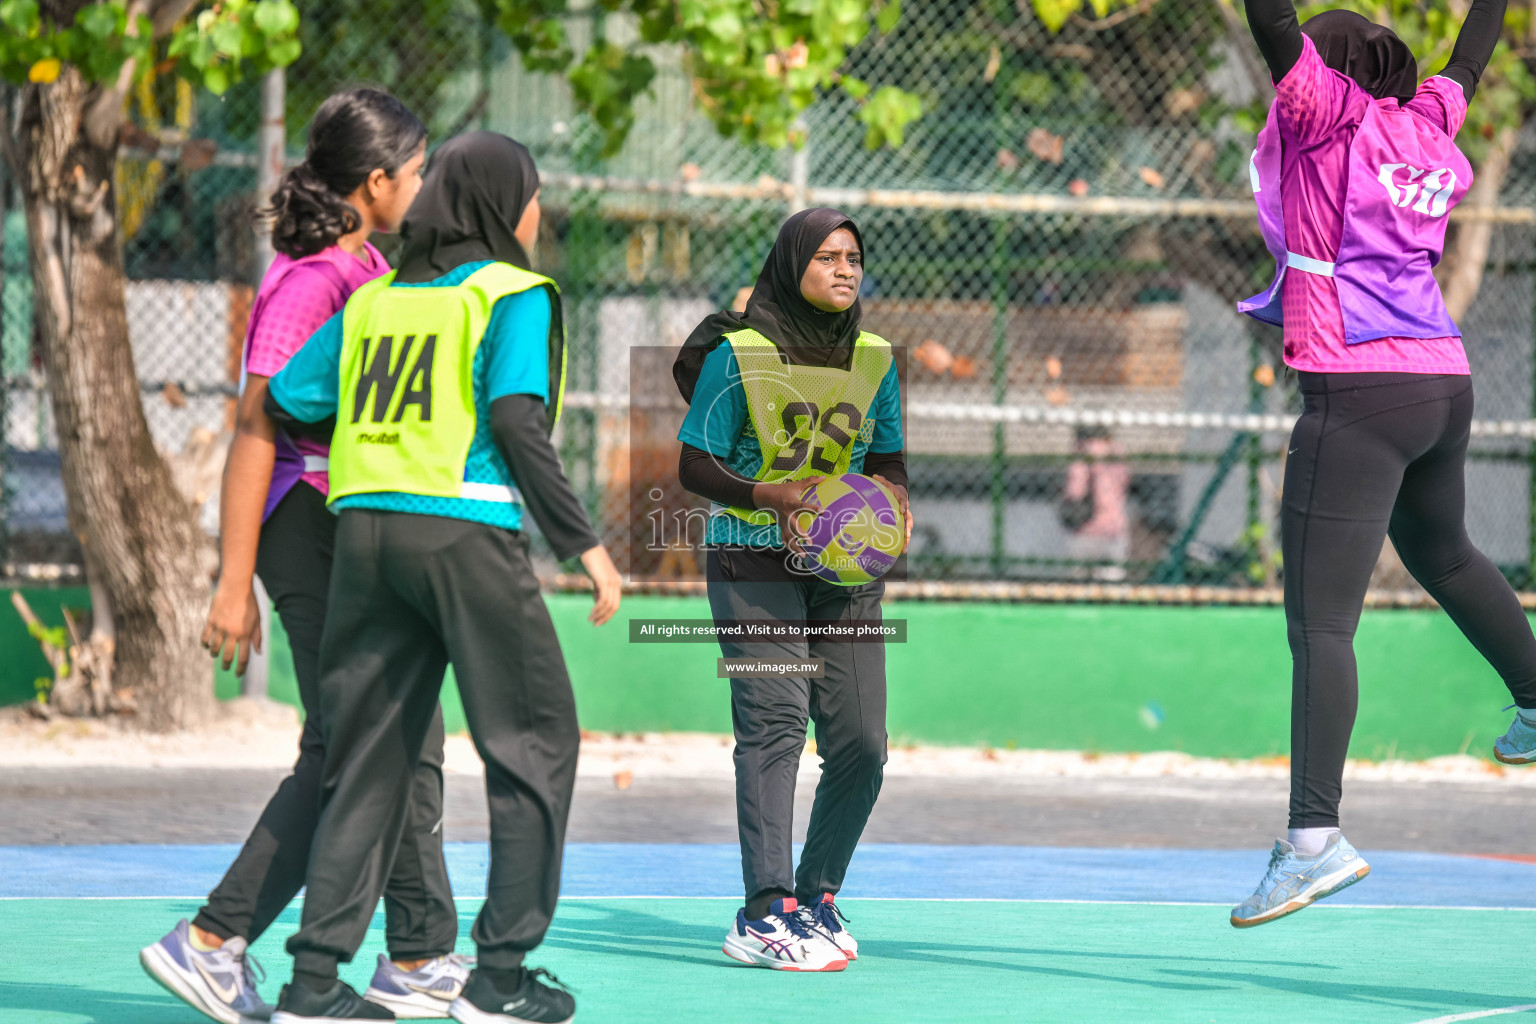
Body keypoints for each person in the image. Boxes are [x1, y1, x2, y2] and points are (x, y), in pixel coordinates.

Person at [263, 131, 621, 1024]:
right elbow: (513, 419)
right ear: (506, 206)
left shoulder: (381, 297)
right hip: (462, 530)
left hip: (363, 534)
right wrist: (585, 544)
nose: (540, 214)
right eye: (534, 195)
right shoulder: (513, 292)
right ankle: (498, 979)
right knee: (536, 745)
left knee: (368, 753)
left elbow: (290, 398)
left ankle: (313, 985)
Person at [138, 88, 471, 1024]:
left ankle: (418, 951)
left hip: (349, 528)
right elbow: (254, 429)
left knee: (401, 733)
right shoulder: (314, 280)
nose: (425, 183)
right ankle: (211, 940)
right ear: (377, 181)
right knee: (352, 744)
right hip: (304, 528)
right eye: (416, 170)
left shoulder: (368, 265)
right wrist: (231, 580)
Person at [1230, 0, 1536, 928]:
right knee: (1445, 557)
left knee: (1321, 627)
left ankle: (1313, 844)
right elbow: (1472, 55)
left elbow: (1269, 19)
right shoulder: (1426, 120)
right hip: (1442, 380)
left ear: (1325, 69)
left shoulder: (1324, 112)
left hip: (1358, 392)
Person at [673, 208, 910, 971]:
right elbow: (694, 466)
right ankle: (763, 910)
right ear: (792, 266)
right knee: (775, 726)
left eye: (854, 257)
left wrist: (891, 507)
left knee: (863, 744)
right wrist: (769, 497)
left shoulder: (874, 356)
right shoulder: (738, 356)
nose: (845, 269)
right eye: (828, 257)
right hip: (753, 560)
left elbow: (891, 459)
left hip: (845, 571)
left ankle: (817, 894)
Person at [1059, 425, 1131, 581]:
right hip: (1114, 528)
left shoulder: (1081, 453)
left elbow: (1075, 491)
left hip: (1084, 528)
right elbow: (1125, 482)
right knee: (1112, 580)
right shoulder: (1116, 453)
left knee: (1080, 581)